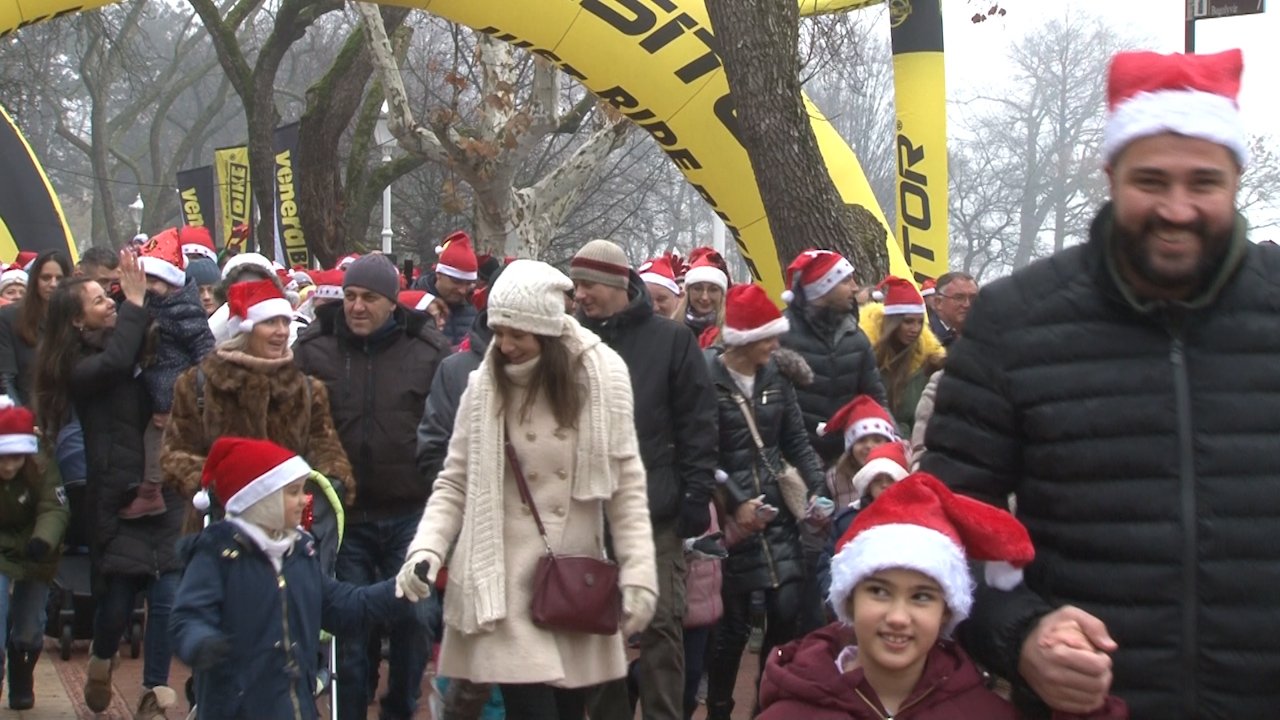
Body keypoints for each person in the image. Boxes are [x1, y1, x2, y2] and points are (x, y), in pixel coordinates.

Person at [920, 48, 1280, 718]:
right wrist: (1020, 634)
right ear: (1111, 174)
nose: (1177, 208)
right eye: (1151, 181)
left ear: (1236, 179)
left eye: (1203, 182)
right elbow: (941, 526)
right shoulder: (1014, 321)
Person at [396, 259, 659, 719]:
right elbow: (454, 480)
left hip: (573, 581)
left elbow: (627, 486)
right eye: (498, 331)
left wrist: (639, 573)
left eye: (517, 332)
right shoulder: (483, 386)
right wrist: (428, 549)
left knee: (568, 710)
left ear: (547, 331)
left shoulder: (601, 378)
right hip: (504, 582)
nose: (505, 345)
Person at [294, 254, 450, 720]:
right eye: (350, 296)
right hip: (344, 516)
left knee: (416, 619)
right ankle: (351, 709)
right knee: (349, 630)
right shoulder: (314, 347)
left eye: (369, 298)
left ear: (391, 302)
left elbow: (445, 428)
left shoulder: (427, 350)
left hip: (409, 513)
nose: (357, 307)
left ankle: (400, 707)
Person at [571, 239, 717, 720]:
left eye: (587, 284)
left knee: (661, 630)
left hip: (654, 513)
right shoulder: (570, 340)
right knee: (598, 633)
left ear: (615, 283)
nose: (579, 295)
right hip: (586, 513)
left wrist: (696, 495)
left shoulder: (671, 341)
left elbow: (698, 422)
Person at [32, 254, 183, 719]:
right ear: (77, 321)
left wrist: (150, 293)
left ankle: (154, 692)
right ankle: (101, 656)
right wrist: (135, 303)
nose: (110, 303)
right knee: (116, 599)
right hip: (115, 492)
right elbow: (117, 363)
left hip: (161, 481)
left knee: (164, 591)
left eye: (107, 295)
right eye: (99, 300)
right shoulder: (77, 367)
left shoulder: (130, 334)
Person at [757, 473, 1032, 720]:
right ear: (850, 600)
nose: (898, 618)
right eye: (879, 591)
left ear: (946, 610)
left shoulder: (987, 713)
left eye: (921, 597)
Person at [172, 436, 408, 720]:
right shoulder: (216, 556)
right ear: (261, 500)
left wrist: (401, 589)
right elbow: (188, 617)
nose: (304, 500)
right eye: (293, 492)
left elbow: (343, 605)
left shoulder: (300, 553)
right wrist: (201, 642)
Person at [702, 283, 826, 720]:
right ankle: (719, 707)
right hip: (732, 520)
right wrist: (734, 500)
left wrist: (817, 490)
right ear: (746, 339)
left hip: (777, 511)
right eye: (769, 337)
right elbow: (701, 451)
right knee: (731, 628)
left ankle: (766, 705)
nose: (777, 344)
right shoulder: (707, 378)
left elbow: (796, 439)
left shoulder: (777, 377)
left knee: (786, 612)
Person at [161, 278, 354, 533]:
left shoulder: (306, 389)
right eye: (270, 322)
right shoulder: (198, 384)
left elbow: (327, 451)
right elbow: (174, 455)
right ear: (245, 329)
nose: (282, 331)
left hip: (289, 534)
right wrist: (227, 482)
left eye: (285, 321)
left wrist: (327, 483)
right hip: (219, 529)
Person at [121, 229, 216, 521]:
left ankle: (151, 492)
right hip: (155, 388)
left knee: (156, 439)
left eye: (153, 281)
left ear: (172, 283)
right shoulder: (154, 305)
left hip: (172, 390)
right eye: (145, 280)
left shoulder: (183, 309)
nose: (147, 287)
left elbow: (205, 348)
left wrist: (195, 391)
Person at [778, 249, 887, 466]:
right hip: (792, 460)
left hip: (846, 461)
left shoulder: (856, 337)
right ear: (822, 287)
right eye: (846, 281)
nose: (855, 288)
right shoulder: (779, 334)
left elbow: (875, 399)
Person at [0, 395, 67, 711]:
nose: (9, 465)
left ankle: (21, 671)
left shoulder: (42, 464)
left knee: (29, 626)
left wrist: (44, 539)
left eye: (15, 458)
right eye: (3, 458)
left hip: (35, 549)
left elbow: (54, 506)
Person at [859, 277, 945, 437]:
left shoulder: (928, 361)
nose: (915, 329)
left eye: (920, 322)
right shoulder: (866, 356)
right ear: (893, 322)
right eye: (908, 322)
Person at [0, 251, 71, 405]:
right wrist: (22, 421)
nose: (53, 284)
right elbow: (6, 378)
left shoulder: (76, 318)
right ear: (34, 280)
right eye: (46, 278)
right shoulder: (8, 318)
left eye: (59, 278)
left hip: (68, 416)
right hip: (26, 410)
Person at [819, 396, 899, 515]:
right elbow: (822, 531)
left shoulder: (901, 475)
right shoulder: (835, 478)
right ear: (850, 447)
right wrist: (818, 517)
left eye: (877, 440)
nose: (869, 446)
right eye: (861, 440)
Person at [413, 231, 479, 345]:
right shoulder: (414, 307)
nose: (462, 290)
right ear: (439, 274)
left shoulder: (475, 309)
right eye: (456, 281)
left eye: (468, 283)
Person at [674, 248, 729, 347]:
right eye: (697, 289)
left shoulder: (733, 333)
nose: (704, 297)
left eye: (713, 290)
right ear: (688, 292)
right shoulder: (672, 329)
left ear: (722, 294)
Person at [927, 271, 977, 349]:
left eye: (973, 298)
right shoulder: (923, 337)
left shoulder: (984, 336)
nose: (967, 304)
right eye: (959, 298)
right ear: (938, 302)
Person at [639, 255, 682, 320]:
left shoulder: (688, 329)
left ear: (677, 300)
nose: (654, 307)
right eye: (647, 299)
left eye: (661, 299)